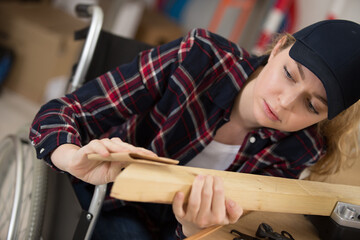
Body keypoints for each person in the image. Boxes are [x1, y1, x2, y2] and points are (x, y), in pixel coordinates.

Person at [29, 19, 360, 239]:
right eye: (289, 74)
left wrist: (191, 230)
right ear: (277, 49)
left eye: (312, 106)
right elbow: (60, 114)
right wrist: (72, 158)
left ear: (323, 119)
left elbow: (215, 231)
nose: (286, 102)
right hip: (93, 191)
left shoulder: (300, 148)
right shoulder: (198, 57)